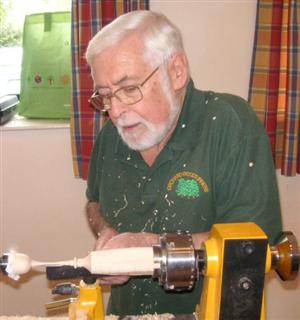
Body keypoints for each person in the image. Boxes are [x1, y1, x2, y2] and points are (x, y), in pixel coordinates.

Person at [84, 10, 282, 316]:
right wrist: (106, 232)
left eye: (129, 89)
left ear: (176, 71)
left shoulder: (229, 124)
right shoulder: (110, 137)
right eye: (106, 96)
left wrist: (152, 247)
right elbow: (93, 202)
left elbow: (252, 244)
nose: (116, 111)